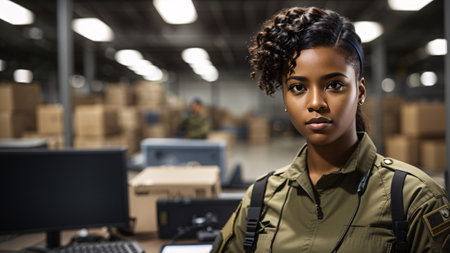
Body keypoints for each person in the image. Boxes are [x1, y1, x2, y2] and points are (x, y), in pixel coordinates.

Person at [211, 6, 450, 253]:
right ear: (284, 97)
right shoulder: (260, 199)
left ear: (360, 91)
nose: (316, 103)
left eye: (334, 85)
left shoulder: (414, 200)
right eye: (297, 88)